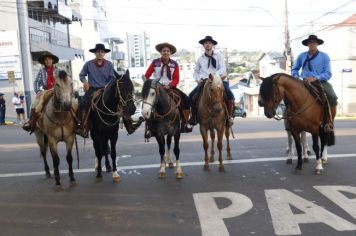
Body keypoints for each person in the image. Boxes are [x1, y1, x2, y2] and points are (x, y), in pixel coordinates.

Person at [144, 42, 192, 137]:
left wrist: (169, 85)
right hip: (157, 88)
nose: (165, 52)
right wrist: (149, 84)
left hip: (170, 88)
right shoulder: (155, 62)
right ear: (161, 52)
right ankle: (149, 128)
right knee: (147, 103)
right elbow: (147, 75)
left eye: (167, 51)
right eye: (163, 51)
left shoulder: (174, 64)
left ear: (170, 53)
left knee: (186, 100)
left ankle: (185, 123)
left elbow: (176, 79)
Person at [291, 34, 337, 132]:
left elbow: (328, 73)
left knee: (332, 97)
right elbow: (294, 69)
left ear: (317, 44)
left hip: (320, 82)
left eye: (313, 42)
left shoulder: (324, 56)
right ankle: (291, 120)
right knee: (289, 95)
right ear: (307, 44)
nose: (312, 44)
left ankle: (329, 122)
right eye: (310, 42)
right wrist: (296, 78)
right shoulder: (301, 56)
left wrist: (315, 78)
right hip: (303, 82)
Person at [188, 36, 235, 127]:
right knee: (191, 96)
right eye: (206, 43)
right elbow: (196, 71)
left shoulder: (219, 56)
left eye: (209, 43)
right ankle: (194, 117)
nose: (208, 44)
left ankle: (229, 117)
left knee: (229, 94)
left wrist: (214, 76)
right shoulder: (200, 59)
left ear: (212, 45)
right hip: (205, 81)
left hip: (218, 80)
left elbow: (223, 68)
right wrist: (198, 79)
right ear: (203, 46)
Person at [75, 43, 116, 138]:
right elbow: (82, 75)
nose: (100, 53)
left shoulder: (109, 64)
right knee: (82, 104)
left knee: (119, 102)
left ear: (104, 53)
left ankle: (129, 124)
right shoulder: (88, 64)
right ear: (95, 53)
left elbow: (112, 77)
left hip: (106, 89)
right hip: (92, 89)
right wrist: (85, 82)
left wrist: (107, 86)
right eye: (98, 52)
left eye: (102, 52)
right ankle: (82, 126)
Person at [23, 51, 59, 133]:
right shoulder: (41, 71)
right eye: (46, 60)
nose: (48, 61)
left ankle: (77, 122)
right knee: (34, 104)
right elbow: (36, 82)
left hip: (58, 91)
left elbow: (64, 81)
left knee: (72, 103)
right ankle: (31, 123)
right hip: (46, 91)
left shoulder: (59, 71)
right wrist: (38, 91)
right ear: (43, 62)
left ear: (53, 60)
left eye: (49, 59)